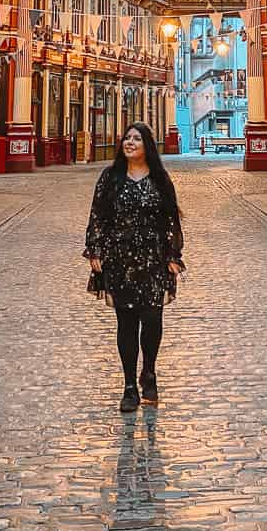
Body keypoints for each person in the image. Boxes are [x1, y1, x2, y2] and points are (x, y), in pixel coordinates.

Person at [84, 122, 185, 412]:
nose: (129, 142)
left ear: (147, 146)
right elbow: (98, 215)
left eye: (136, 138)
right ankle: (129, 385)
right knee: (126, 322)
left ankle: (149, 371)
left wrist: (173, 255)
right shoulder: (110, 177)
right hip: (120, 259)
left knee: (152, 319)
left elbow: (170, 220)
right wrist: (95, 249)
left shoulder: (160, 179)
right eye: (126, 138)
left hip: (153, 260)